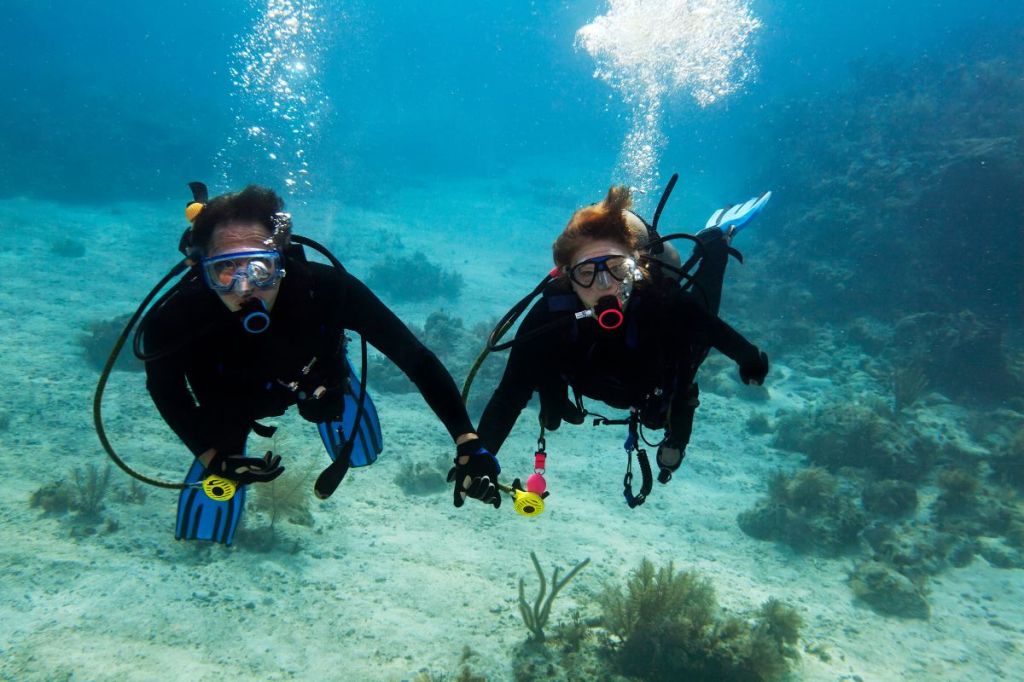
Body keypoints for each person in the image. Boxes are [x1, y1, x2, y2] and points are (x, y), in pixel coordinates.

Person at [140, 184, 499, 544]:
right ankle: (221, 457)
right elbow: (165, 389)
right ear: (202, 268)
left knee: (327, 403)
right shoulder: (175, 317)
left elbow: (415, 358)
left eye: (260, 267)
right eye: (225, 268)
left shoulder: (326, 290)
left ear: (281, 261)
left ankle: (342, 388)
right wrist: (209, 455)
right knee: (223, 444)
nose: (244, 287)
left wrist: (467, 440)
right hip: (232, 397)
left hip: (314, 381)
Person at [473, 185, 769, 507]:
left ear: (635, 267)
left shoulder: (662, 301)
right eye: (587, 273)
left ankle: (715, 242)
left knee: (696, 331)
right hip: (594, 375)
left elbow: (711, 328)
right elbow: (509, 395)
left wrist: (748, 357)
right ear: (568, 279)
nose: (604, 286)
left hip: (656, 371)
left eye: (617, 269)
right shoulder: (550, 316)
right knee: (549, 385)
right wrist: (480, 457)